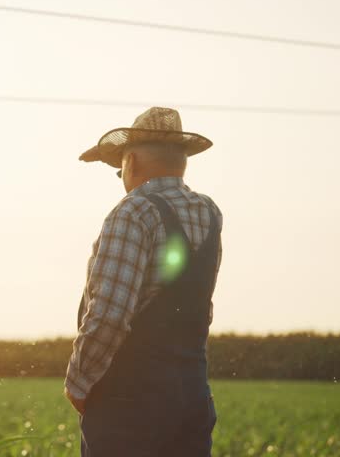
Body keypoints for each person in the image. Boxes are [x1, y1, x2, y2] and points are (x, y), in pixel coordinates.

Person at [64, 107, 223, 456]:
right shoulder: (209, 213)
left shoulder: (133, 212)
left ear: (132, 161)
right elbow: (201, 310)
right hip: (192, 396)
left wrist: (79, 381)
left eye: (119, 169)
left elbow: (109, 313)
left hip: (130, 404)